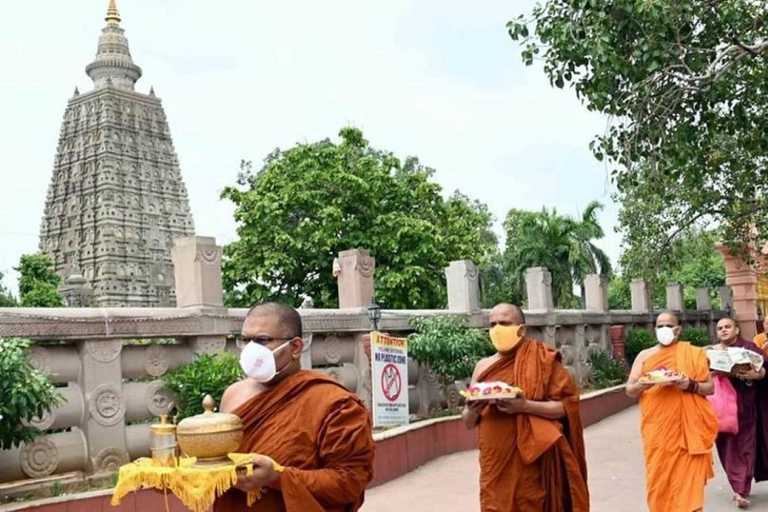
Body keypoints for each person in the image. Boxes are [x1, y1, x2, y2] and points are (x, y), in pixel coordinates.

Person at [213, 302, 375, 512]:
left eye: (262, 340)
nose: (251, 349)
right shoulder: (232, 395)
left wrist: (277, 477)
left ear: (296, 347)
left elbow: (349, 482)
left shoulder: (335, 403)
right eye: (245, 340)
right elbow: (217, 463)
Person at [461, 303, 589, 511]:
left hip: (531, 460)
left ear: (522, 329)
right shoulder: (483, 366)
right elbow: (468, 422)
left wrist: (524, 406)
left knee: (532, 503)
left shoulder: (541, 359)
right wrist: (473, 407)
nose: (497, 329)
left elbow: (566, 407)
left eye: (505, 323)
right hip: (495, 462)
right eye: (492, 324)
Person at [625, 312, 718, 512]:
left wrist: (689, 384)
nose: (664, 329)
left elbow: (709, 388)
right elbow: (630, 390)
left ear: (678, 329)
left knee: (689, 487)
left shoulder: (693, 353)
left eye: (669, 325)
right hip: (658, 431)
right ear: (654, 330)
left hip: (689, 432)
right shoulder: (645, 356)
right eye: (660, 326)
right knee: (660, 480)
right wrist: (646, 382)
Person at [710, 317, 768, 508]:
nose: (724, 330)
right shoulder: (711, 352)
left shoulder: (749, 348)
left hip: (747, 406)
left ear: (736, 330)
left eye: (728, 327)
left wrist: (757, 374)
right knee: (727, 449)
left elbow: (765, 367)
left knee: (746, 446)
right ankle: (738, 485)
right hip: (723, 408)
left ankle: (740, 490)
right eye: (720, 328)